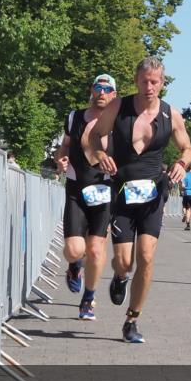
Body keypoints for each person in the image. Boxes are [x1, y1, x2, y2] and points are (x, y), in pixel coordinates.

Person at [88, 57, 191, 343]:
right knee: (124, 262)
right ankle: (120, 278)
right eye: (145, 81)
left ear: (162, 83)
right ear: (137, 80)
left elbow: (187, 149)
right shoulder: (118, 107)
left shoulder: (171, 115)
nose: (150, 87)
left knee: (146, 256)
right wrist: (100, 156)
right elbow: (95, 137)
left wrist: (182, 164)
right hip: (122, 193)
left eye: (155, 82)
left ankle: (132, 320)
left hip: (153, 194)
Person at [53, 74, 118, 321]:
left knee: (95, 250)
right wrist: (60, 158)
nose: (102, 92)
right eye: (98, 87)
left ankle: (88, 299)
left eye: (107, 89)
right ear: (92, 90)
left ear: (113, 94)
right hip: (75, 187)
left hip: (104, 190)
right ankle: (73, 266)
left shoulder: (118, 121)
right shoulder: (75, 117)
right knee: (74, 249)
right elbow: (65, 146)